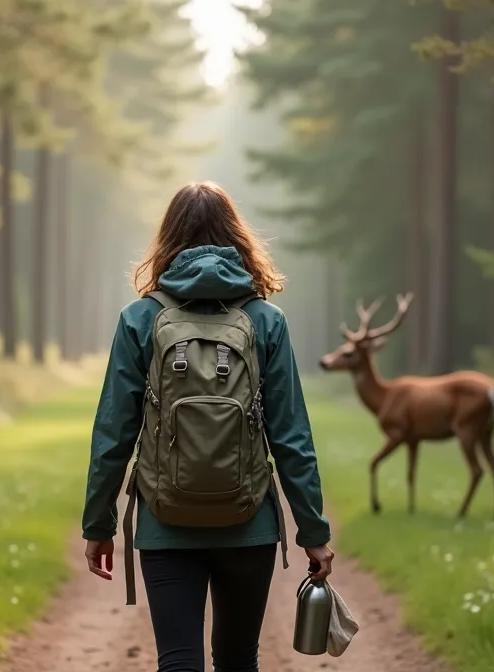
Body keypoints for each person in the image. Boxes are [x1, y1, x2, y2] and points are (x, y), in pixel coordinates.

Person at [80, 181, 334, 672]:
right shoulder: (265, 320)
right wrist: (313, 531)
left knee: (179, 662)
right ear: (238, 239)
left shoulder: (140, 319)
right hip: (249, 523)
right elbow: (291, 438)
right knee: (238, 661)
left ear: (167, 240)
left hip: (164, 521)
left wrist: (99, 524)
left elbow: (113, 434)